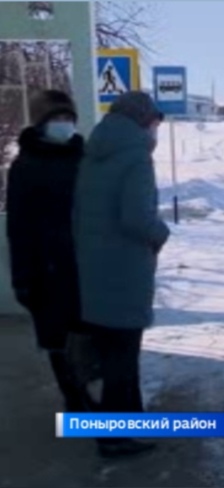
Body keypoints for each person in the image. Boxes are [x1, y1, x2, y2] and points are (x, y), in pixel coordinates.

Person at [73, 91, 170, 458]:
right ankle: (114, 438)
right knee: (122, 361)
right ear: (142, 121)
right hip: (125, 272)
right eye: (154, 123)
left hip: (95, 271)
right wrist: (161, 233)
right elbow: (136, 218)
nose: (155, 131)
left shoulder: (94, 153)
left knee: (114, 354)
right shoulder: (136, 158)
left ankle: (128, 424)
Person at [6, 89, 97, 413]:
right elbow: (18, 227)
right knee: (59, 340)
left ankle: (86, 397)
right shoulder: (26, 165)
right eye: (56, 118)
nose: (64, 124)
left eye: (68, 118)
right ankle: (76, 401)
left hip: (86, 266)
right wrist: (22, 278)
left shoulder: (82, 157)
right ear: (42, 123)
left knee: (87, 336)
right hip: (48, 271)